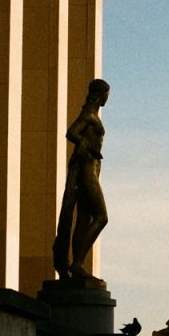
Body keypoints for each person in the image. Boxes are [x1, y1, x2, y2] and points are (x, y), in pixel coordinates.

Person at [53, 78, 110, 280]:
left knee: (84, 219)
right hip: (86, 168)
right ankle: (77, 262)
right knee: (102, 217)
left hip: (93, 167)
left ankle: (78, 265)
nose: (106, 98)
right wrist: (85, 144)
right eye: (105, 94)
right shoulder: (89, 114)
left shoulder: (93, 115)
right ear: (99, 94)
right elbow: (72, 132)